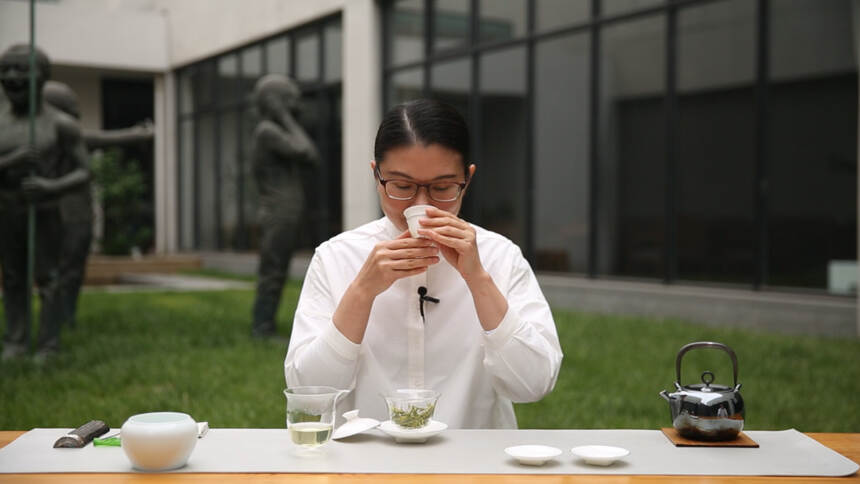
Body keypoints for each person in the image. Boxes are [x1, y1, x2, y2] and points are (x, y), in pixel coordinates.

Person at [284, 99, 563, 428]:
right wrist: (361, 292)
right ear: (376, 175)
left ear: (467, 180)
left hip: (472, 467)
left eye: (442, 188)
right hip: (366, 466)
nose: (421, 206)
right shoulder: (337, 257)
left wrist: (479, 281)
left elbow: (533, 385)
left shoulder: (499, 256)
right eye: (402, 186)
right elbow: (308, 393)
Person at [0, 45, 90, 362]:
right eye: (6, 69)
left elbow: (83, 172)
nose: (12, 77)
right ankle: (16, 340)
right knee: (12, 278)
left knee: (48, 278)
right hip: (8, 209)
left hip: (44, 211)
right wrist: (14, 160)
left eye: (21, 70)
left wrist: (50, 185)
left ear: (42, 77)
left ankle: (49, 343)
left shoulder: (60, 124)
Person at [42, 80, 154, 329]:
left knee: (63, 270)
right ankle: (61, 318)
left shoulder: (55, 137)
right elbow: (103, 138)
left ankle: (59, 318)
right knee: (67, 270)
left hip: (62, 210)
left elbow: (104, 139)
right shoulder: (65, 136)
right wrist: (139, 134)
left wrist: (138, 134)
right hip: (71, 212)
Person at [250, 74, 319, 338]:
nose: (296, 106)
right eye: (289, 100)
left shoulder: (273, 130)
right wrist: (284, 117)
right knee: (273, 269)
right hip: (278, 212)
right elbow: (307, 151)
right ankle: (262, 328)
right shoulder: (268, 131)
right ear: (276, 102)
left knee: (276, 268)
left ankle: (264, 324)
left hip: (285, 211)